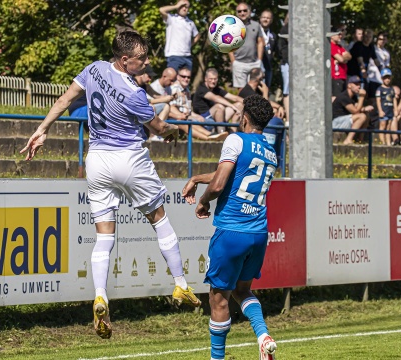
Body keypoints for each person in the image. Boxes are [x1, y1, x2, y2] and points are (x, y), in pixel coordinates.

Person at [20, 31, 201, 339]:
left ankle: (101, 294)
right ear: (124, 59)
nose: (146, 62)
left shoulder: (94, 69)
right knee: (160, 220)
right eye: (141, 58)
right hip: (129, 159)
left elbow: (65, 99)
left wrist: (42, 129)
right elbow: (159, 128)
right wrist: (177, 133)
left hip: (98, 160)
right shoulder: (134, 94)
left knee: (104, 235)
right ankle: (181, 284)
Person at [181, 94, 278, 360]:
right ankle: (263, 336)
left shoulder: (235, 140)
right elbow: (234, 175)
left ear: (244, 117)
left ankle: (217, 358)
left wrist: (203, 201)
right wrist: (198, 178)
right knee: (242, 290)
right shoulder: (271, 151)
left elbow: (221, 184)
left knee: (218, 298)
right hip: (258, 233)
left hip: (232, 231)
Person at [169, 66, 228, 141]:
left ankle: (213, 135)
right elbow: (172, 107)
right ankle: (209, 137)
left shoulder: (187, 90)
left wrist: (196, 116)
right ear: (178, 77)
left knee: (208, 121)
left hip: (187, 117)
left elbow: (189, 111)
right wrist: (184, 116)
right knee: (190, 122)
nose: (186, 79)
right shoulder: (174, 89)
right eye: (183, 76)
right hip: (178, 118)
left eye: (188, 77)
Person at [192, 68, 244, 133]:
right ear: (206, 79)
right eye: (211, 79)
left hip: (217, 117)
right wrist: (232, 106)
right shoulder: (201, 89)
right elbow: (216, 98)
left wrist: (249, 103)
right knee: (219, 107)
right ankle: (221, 133)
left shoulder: (216, 89)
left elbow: (234, 98)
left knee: (239, 105)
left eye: (215, 79)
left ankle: (233, 132)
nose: (213, 81)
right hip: (203, 117)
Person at [229, 2, 264, 90]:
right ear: (236, 13)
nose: (242, 13)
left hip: (254, 63)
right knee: (241, 91)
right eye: (239, 11)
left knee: (255, 89)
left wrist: (259, 60)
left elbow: (260, 42)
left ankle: (252, 104)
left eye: (244, 10)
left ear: (249, 11)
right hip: (239, 63)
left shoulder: (256, 25)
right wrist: (233, 61)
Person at [159, 0, 200, 71]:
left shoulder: (190, 23)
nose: (184, 9)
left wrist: (190, 45)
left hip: (187, 57)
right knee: (172, 79)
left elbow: (197, 35)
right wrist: (176, 6)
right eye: (182, 6)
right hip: (174, 56)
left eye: (186, 7)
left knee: (186, 80)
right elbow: (161, 10)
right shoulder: (172, 18)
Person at [331, 75, 371, 145]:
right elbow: (356, 111)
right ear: (349, 85)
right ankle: (348, 140)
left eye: (359, 84)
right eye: (356, 84)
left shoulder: (353, 97)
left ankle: (360, 140)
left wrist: (364, 109)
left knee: (365, 115)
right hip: (336, 123)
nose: (358, 87)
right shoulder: (344, 97)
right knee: (361, 116)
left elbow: (358, 107)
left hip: (345, 120)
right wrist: (361, 97)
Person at [375, 68, 396, 145]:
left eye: (388, 78)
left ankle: (388, 142)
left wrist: (395, 109)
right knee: (382, 126)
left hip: (390, 110)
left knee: (388, 127)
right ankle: (382, 142)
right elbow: (378, 100)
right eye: (385, 78)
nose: (387, 80)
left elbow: (394, 99)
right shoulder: (379, 89)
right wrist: (380, 110)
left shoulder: (391, 89)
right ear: (382, 78)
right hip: (383, 110)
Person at [330, 25, 352, 96]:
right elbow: (342, 59)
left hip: (343, 76)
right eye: (338, 34)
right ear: (332, 36)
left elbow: (349, 56)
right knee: (336, 98)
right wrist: (343, 59)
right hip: (336, 77)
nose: (340, 36)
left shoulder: (339, 46)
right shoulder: (331, 46)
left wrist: (343, 59)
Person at [259, 9, 275, 87]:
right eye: (264, 17)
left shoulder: (273, 35)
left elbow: (274, 50)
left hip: (268, 65)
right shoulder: (255, 32)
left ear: (271, 20)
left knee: (266, 88)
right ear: (260, 19)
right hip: (257, 65)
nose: (265, 19)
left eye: (268, 18)